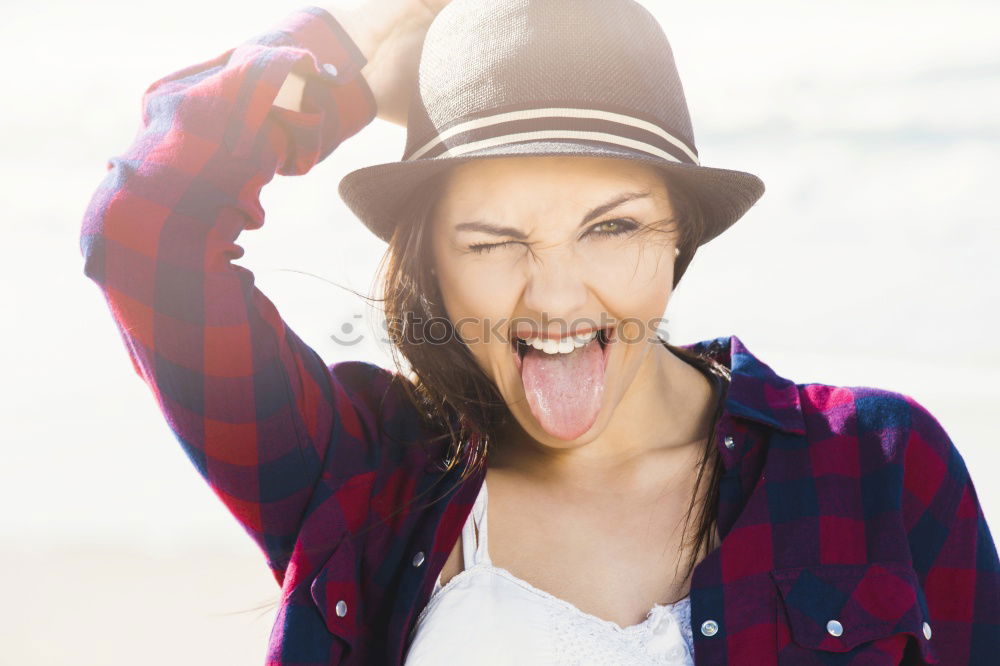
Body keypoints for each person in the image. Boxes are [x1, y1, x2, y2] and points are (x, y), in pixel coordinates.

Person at [79, 0, 999, 664]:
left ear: (682, 232)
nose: (555, 298)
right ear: (432, 258)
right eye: (493, 241)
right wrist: (358, 45)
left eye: (613, 227)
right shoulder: (360, 477)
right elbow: (145, 228)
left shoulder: (875, 462)